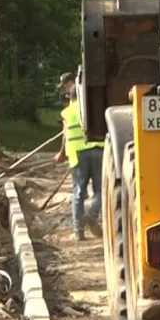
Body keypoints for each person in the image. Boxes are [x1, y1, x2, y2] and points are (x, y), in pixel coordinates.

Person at [55, 73, 104, 241]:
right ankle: (92, 212)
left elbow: (65, 135)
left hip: (76, 155)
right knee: (100, 189)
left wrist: (61, 153)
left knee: (78, 191)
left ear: (71, 96)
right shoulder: (92, 110)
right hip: (97, 152)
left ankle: (78, 230)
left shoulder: (66, 113)